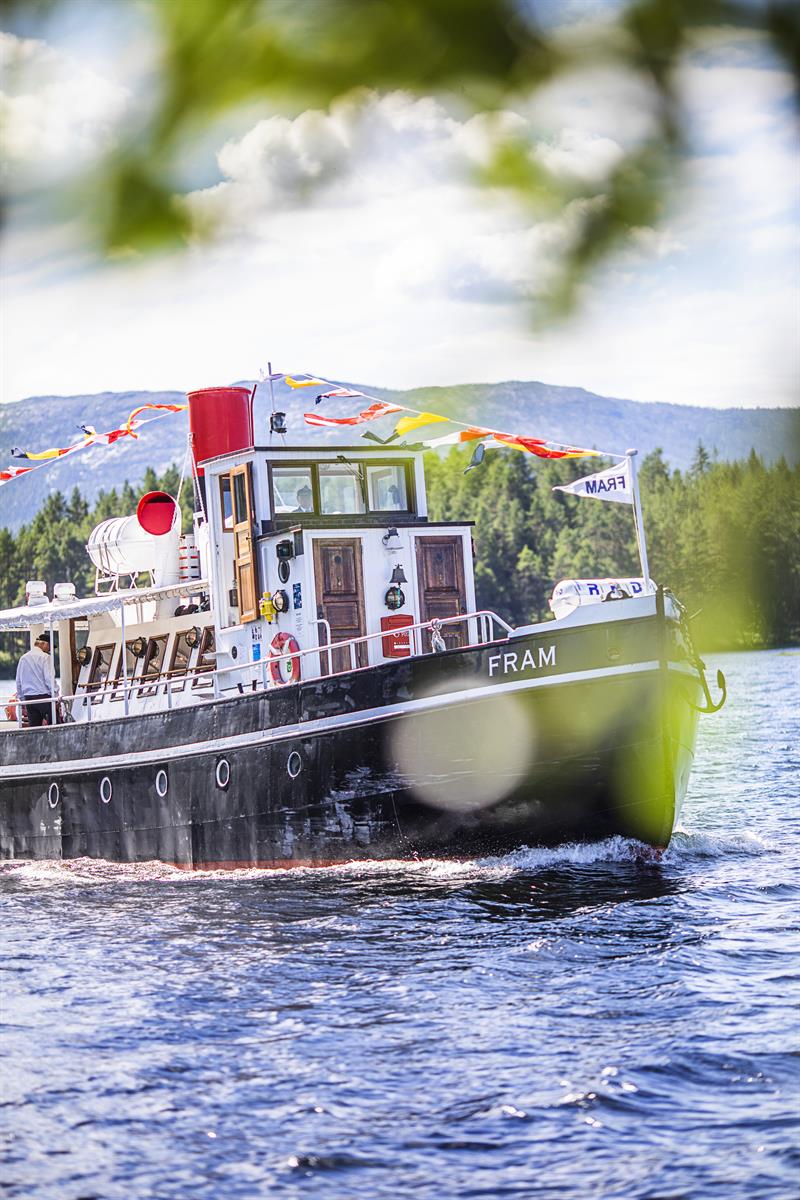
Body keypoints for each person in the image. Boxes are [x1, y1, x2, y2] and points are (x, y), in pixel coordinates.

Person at [15, 631, 59, 728]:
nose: (50, 650)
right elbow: (49, 679)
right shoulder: (45, 657)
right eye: (50, 647)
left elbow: (18, 682)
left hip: (29, 700)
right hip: (44, 698)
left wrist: (23, 700)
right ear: (45, 644)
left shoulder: (23, 658)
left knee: (34, 728)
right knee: (55, 726)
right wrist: (56, 696)